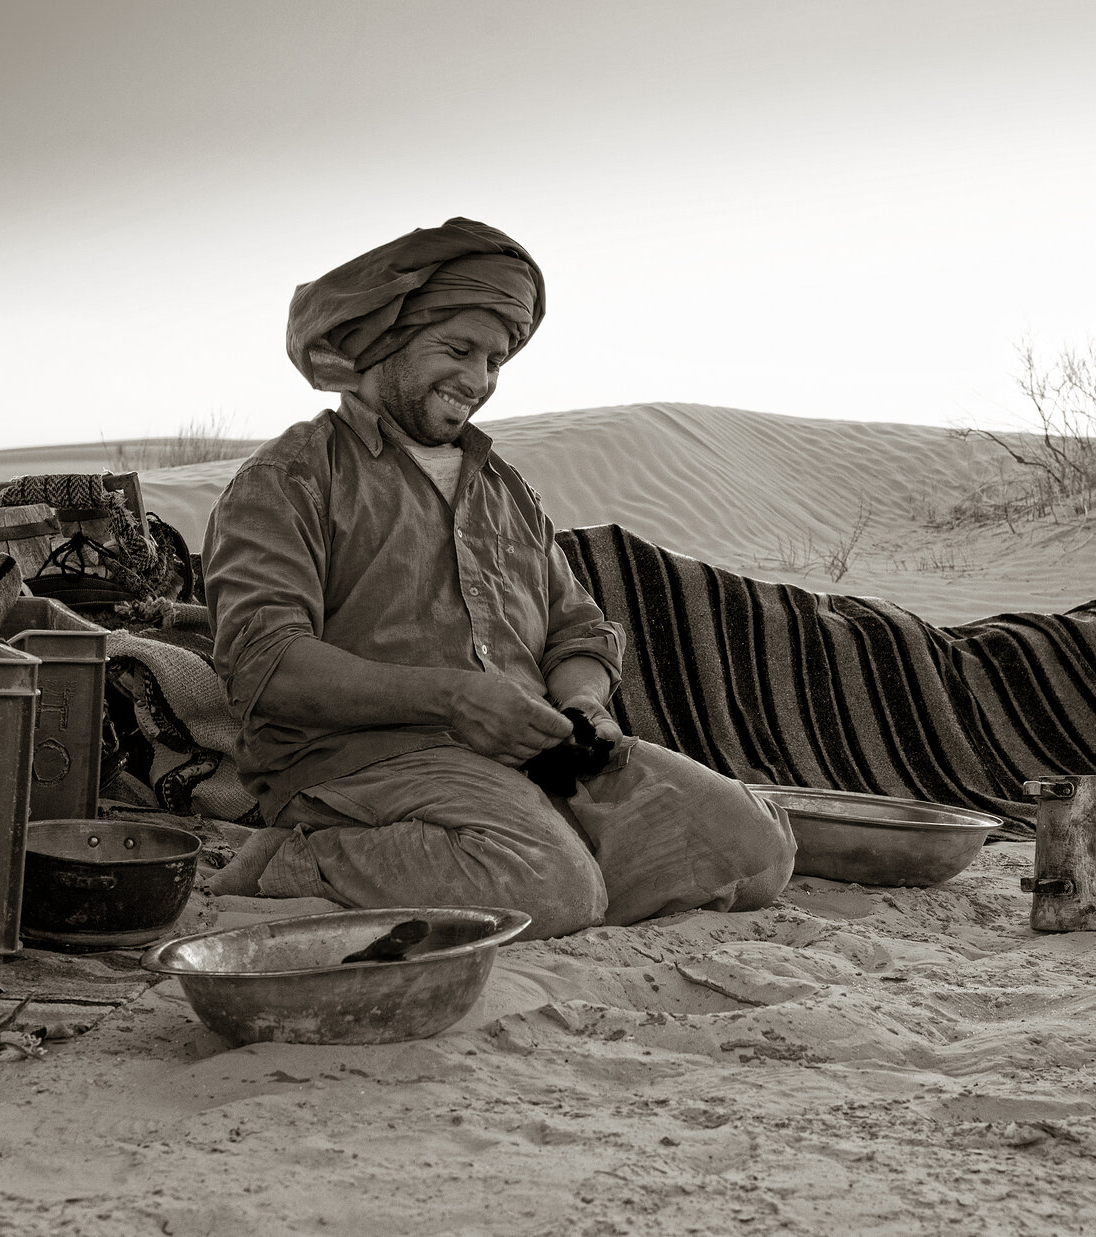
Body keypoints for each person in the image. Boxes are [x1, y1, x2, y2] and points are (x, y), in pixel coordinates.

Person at [202, 218, 795, 938]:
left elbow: (579, 630)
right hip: (363, 769)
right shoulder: (290, 476)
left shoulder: (505, 488)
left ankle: (530, 851)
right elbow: (266, 665)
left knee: (757, 852)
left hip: (531, 760)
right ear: (383, 341)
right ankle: (295, 860)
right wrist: (452, 698)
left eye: (495, 359)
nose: (479, 379)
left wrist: (583, 704)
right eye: (458, 349)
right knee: (552, 887)